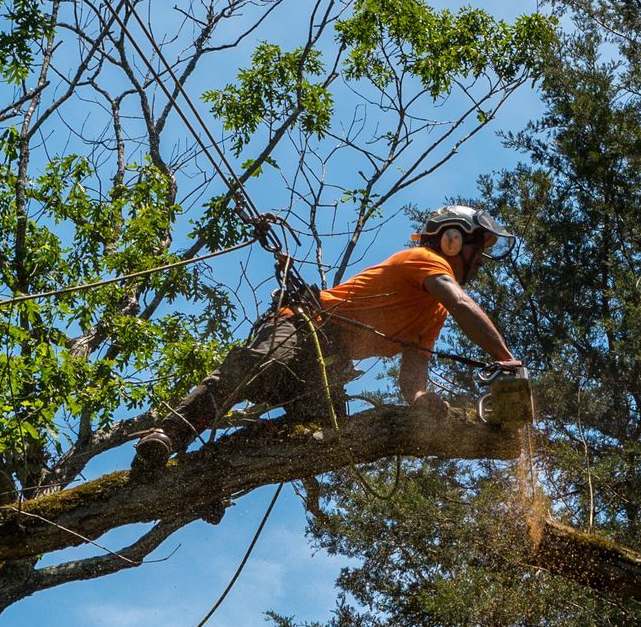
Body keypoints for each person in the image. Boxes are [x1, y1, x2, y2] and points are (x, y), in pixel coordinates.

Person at [131, 204, 527, 477]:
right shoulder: (424, 261)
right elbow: (461, 305)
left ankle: (210, 471)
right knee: (260, 367)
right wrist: (507, 360)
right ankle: (170, 433)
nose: (479, 261)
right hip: (308, 329)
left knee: (316, 442)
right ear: (453, 240)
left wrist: (423, 402)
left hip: (328, 366)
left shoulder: (432, 312)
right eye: (478, 249)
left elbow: (413, 377)